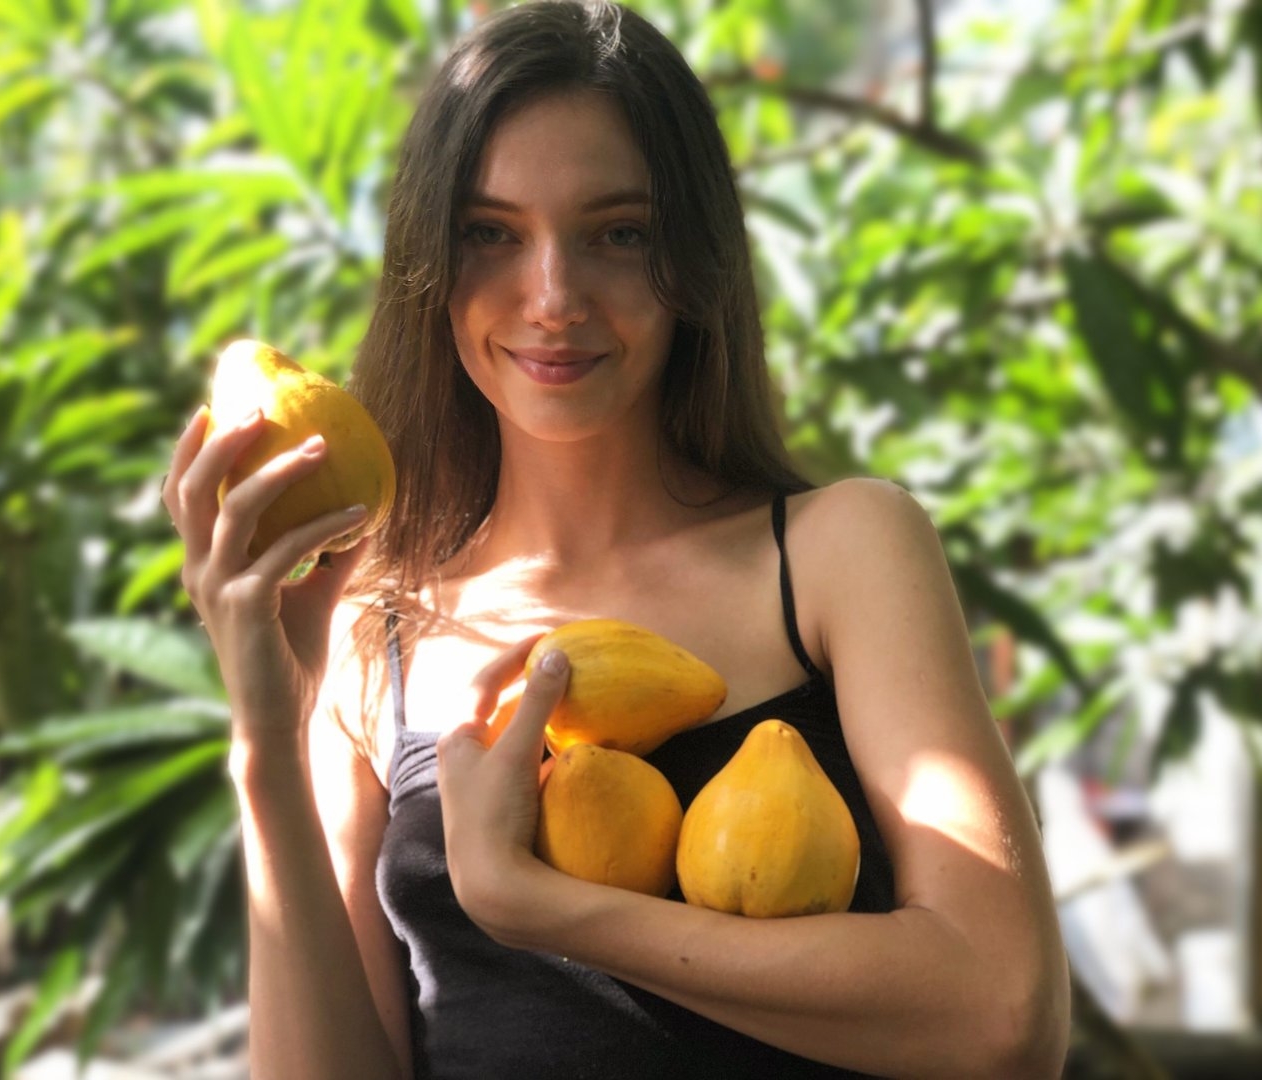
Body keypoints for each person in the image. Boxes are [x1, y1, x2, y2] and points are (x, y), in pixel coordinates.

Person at [161, 1, 1071, 1076]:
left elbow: (1001, 1014)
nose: (553, 298)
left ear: (693, 260)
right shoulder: (371, 625)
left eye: (618, 234)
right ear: (428, 263)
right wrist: (267, 738)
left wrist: (539, 906)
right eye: (490, 233)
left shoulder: (837, 553)